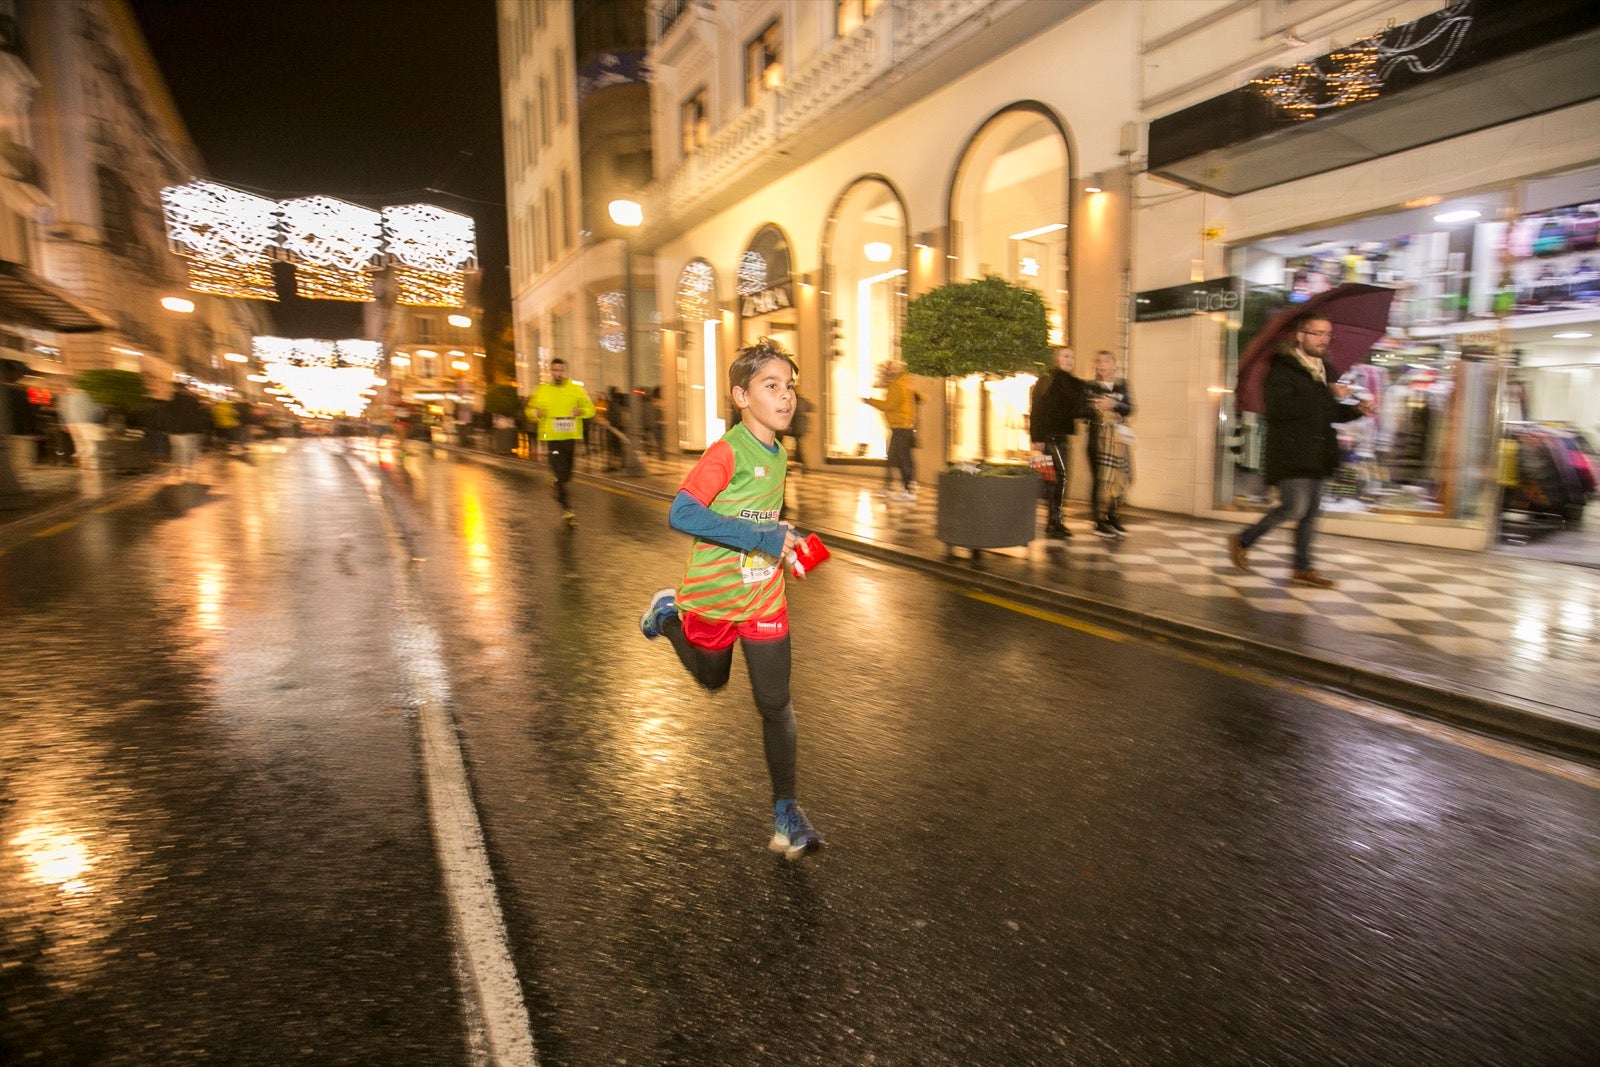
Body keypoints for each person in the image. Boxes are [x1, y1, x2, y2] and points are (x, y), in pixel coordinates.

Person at [638, 338, 824, 861]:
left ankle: (787, 811)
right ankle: (669, 614)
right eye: (771, 386)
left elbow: (757, 516)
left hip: (763, 596)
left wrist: (782, 540)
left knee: (775, 703)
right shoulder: (726, 451)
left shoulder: (779, 451)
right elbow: (682, 513)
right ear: (742, 396)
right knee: (712, 680)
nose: (785, 397)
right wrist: (759, 538)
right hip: (713, 597)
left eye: (788, 386)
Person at [1227, 314, 1374, 587]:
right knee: (1294, 507)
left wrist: (1356, 409)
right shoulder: (1282, 369)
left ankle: (1302, 567)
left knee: (1310, 513)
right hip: (1291, 451)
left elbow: (1328, 413)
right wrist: (1326, 395)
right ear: (1300, 335)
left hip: (1319, 451)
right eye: (1317, 333)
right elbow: (1280, 410)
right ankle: (1243, 539)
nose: (1323, 339)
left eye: (1327, 334)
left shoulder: (1325, 370)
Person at [526, 357, 595, 527]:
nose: (558, 373)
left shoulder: (576, 389)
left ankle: (555, 482)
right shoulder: (542, 390)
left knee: (567, 475)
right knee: (559, 474)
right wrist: (537, 413)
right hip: (552, 439)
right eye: (555, 370)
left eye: (560, 370)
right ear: (551, 371)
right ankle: (568, 511)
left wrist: (580, 411)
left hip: (570, 437)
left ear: (565, 371)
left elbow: (591, 409)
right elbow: (529, 410)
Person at [1029, 346, 1091, 538]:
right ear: (1057, 359)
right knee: (1058, 476)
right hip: (1049, 436)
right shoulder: (1047, 380)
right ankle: (1055, 520)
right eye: (1065, 356)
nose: (1069, 360)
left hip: (1063, 435)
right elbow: (1036, 410)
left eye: (1072, 357)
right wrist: (1036, 437)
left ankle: (1054, 521)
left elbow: (1079, 408)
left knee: (1058, 477)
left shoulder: (1074, 383)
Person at [1086, 349, 1134, 538]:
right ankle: (1099, 520)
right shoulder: (1091, 386)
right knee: (1101, 480)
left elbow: (1130, 408)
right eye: (1099, 362)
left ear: (1114, 365)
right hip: (1098, 438)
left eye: (1106, 361)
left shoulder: (1123, 385)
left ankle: (1112, 514)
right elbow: (1086, 409)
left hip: (1119, 440)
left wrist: (1114, 405)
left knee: (1124, 477)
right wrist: (1098, 408)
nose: (1102, 365)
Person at [863, 359, 920, 500]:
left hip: (901, 428)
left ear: (895, 371)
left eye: (890, 370)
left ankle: (908, 490)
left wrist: (870, 401)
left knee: (902, 459)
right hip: (902, 427)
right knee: (894, 458)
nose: (888, 372)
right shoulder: (904, 383)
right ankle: (892, 487)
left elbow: (889, 405)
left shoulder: (898, 385)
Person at [58, 385, 105, 468]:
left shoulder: (66, 397)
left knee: (81, 446)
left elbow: (63, 411)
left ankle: (84, 465)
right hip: (85, 423)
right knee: (90, 444)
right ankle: (92, 465)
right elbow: (94, 409)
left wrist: (66, 423)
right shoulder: (83, 396)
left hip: (73, 423)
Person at [168, 384, 208, 474]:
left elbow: (168, 416)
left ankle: (178, 466)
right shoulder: (192, 400)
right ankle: (188, 467)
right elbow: (199, 413)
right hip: (190, 429)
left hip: (174, 429)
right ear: (185, 390)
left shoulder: (171, 401)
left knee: (176, 449)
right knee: (189, 448)